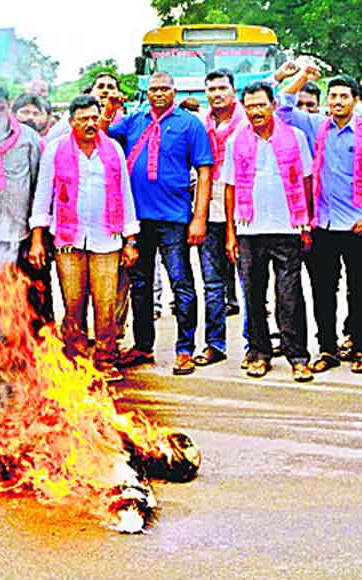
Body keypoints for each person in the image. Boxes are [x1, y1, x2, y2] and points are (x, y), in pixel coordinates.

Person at [105, 71, 214, 376]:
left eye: (165, 88)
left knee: (181, 283)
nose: (159, 93)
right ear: (147, 92)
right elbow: (100, 136)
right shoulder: (135, 121)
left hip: (175, 219)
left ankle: (184, 349)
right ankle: (143, 346)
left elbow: (204, 171)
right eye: (154, 89)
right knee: (140, 285)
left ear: (174, 91)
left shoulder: (189, 123)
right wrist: (109, 109)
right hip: (138, 220)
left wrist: (199, 218)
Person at [28, 94, 140, 382]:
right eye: (83, 119)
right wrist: (38, 239)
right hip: (68, 241)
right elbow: (43, 197)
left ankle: (105, 358)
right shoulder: (55, 151)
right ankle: (76, 359)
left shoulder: (113, 149)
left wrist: (130, 241)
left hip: (108, 239)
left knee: (105, 304)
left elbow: (125, 195)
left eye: (94, 117)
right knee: (73, 303)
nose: (91, 124)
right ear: (71, 122)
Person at [222, 81, 315, 381]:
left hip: (288, 228)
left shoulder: (296, 137)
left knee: (289, 295)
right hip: (249, 229)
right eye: (249, 106)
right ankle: (259, 352)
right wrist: (230, 233)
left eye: (261, 104)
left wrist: (306, 224)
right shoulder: (236, 141)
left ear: (274, 105)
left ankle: (298, 356)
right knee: (253, 295)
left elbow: (307, 181)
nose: (255, 111)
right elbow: (230, 188)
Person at [306, 75, 362, 375]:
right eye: (333, 96)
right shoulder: (317, 129)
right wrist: (298, 75)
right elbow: (284, 105)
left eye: (344, 96)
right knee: (323, 290)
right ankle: (327, 347)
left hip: (358, 225)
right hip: (324, 224)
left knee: (361, 290)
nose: (337, 101)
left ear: (356, 100)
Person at [0, 86, 45, 324]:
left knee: (23, 295)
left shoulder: (29, 138)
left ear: (9, 106)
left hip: (19, 232)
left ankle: (25, 350)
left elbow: (38, 187)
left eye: (1, 108)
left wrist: (37, 236)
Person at [196, 68, 247, 367]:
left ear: (233, 91)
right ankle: (215, 344)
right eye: (211, 88)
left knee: (250, 283)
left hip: (243, 211)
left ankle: (256, 346)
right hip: (210, 208)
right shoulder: (201, 125)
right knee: (212, 283)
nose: (216, 94)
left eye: (222, 88)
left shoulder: (247, 124)